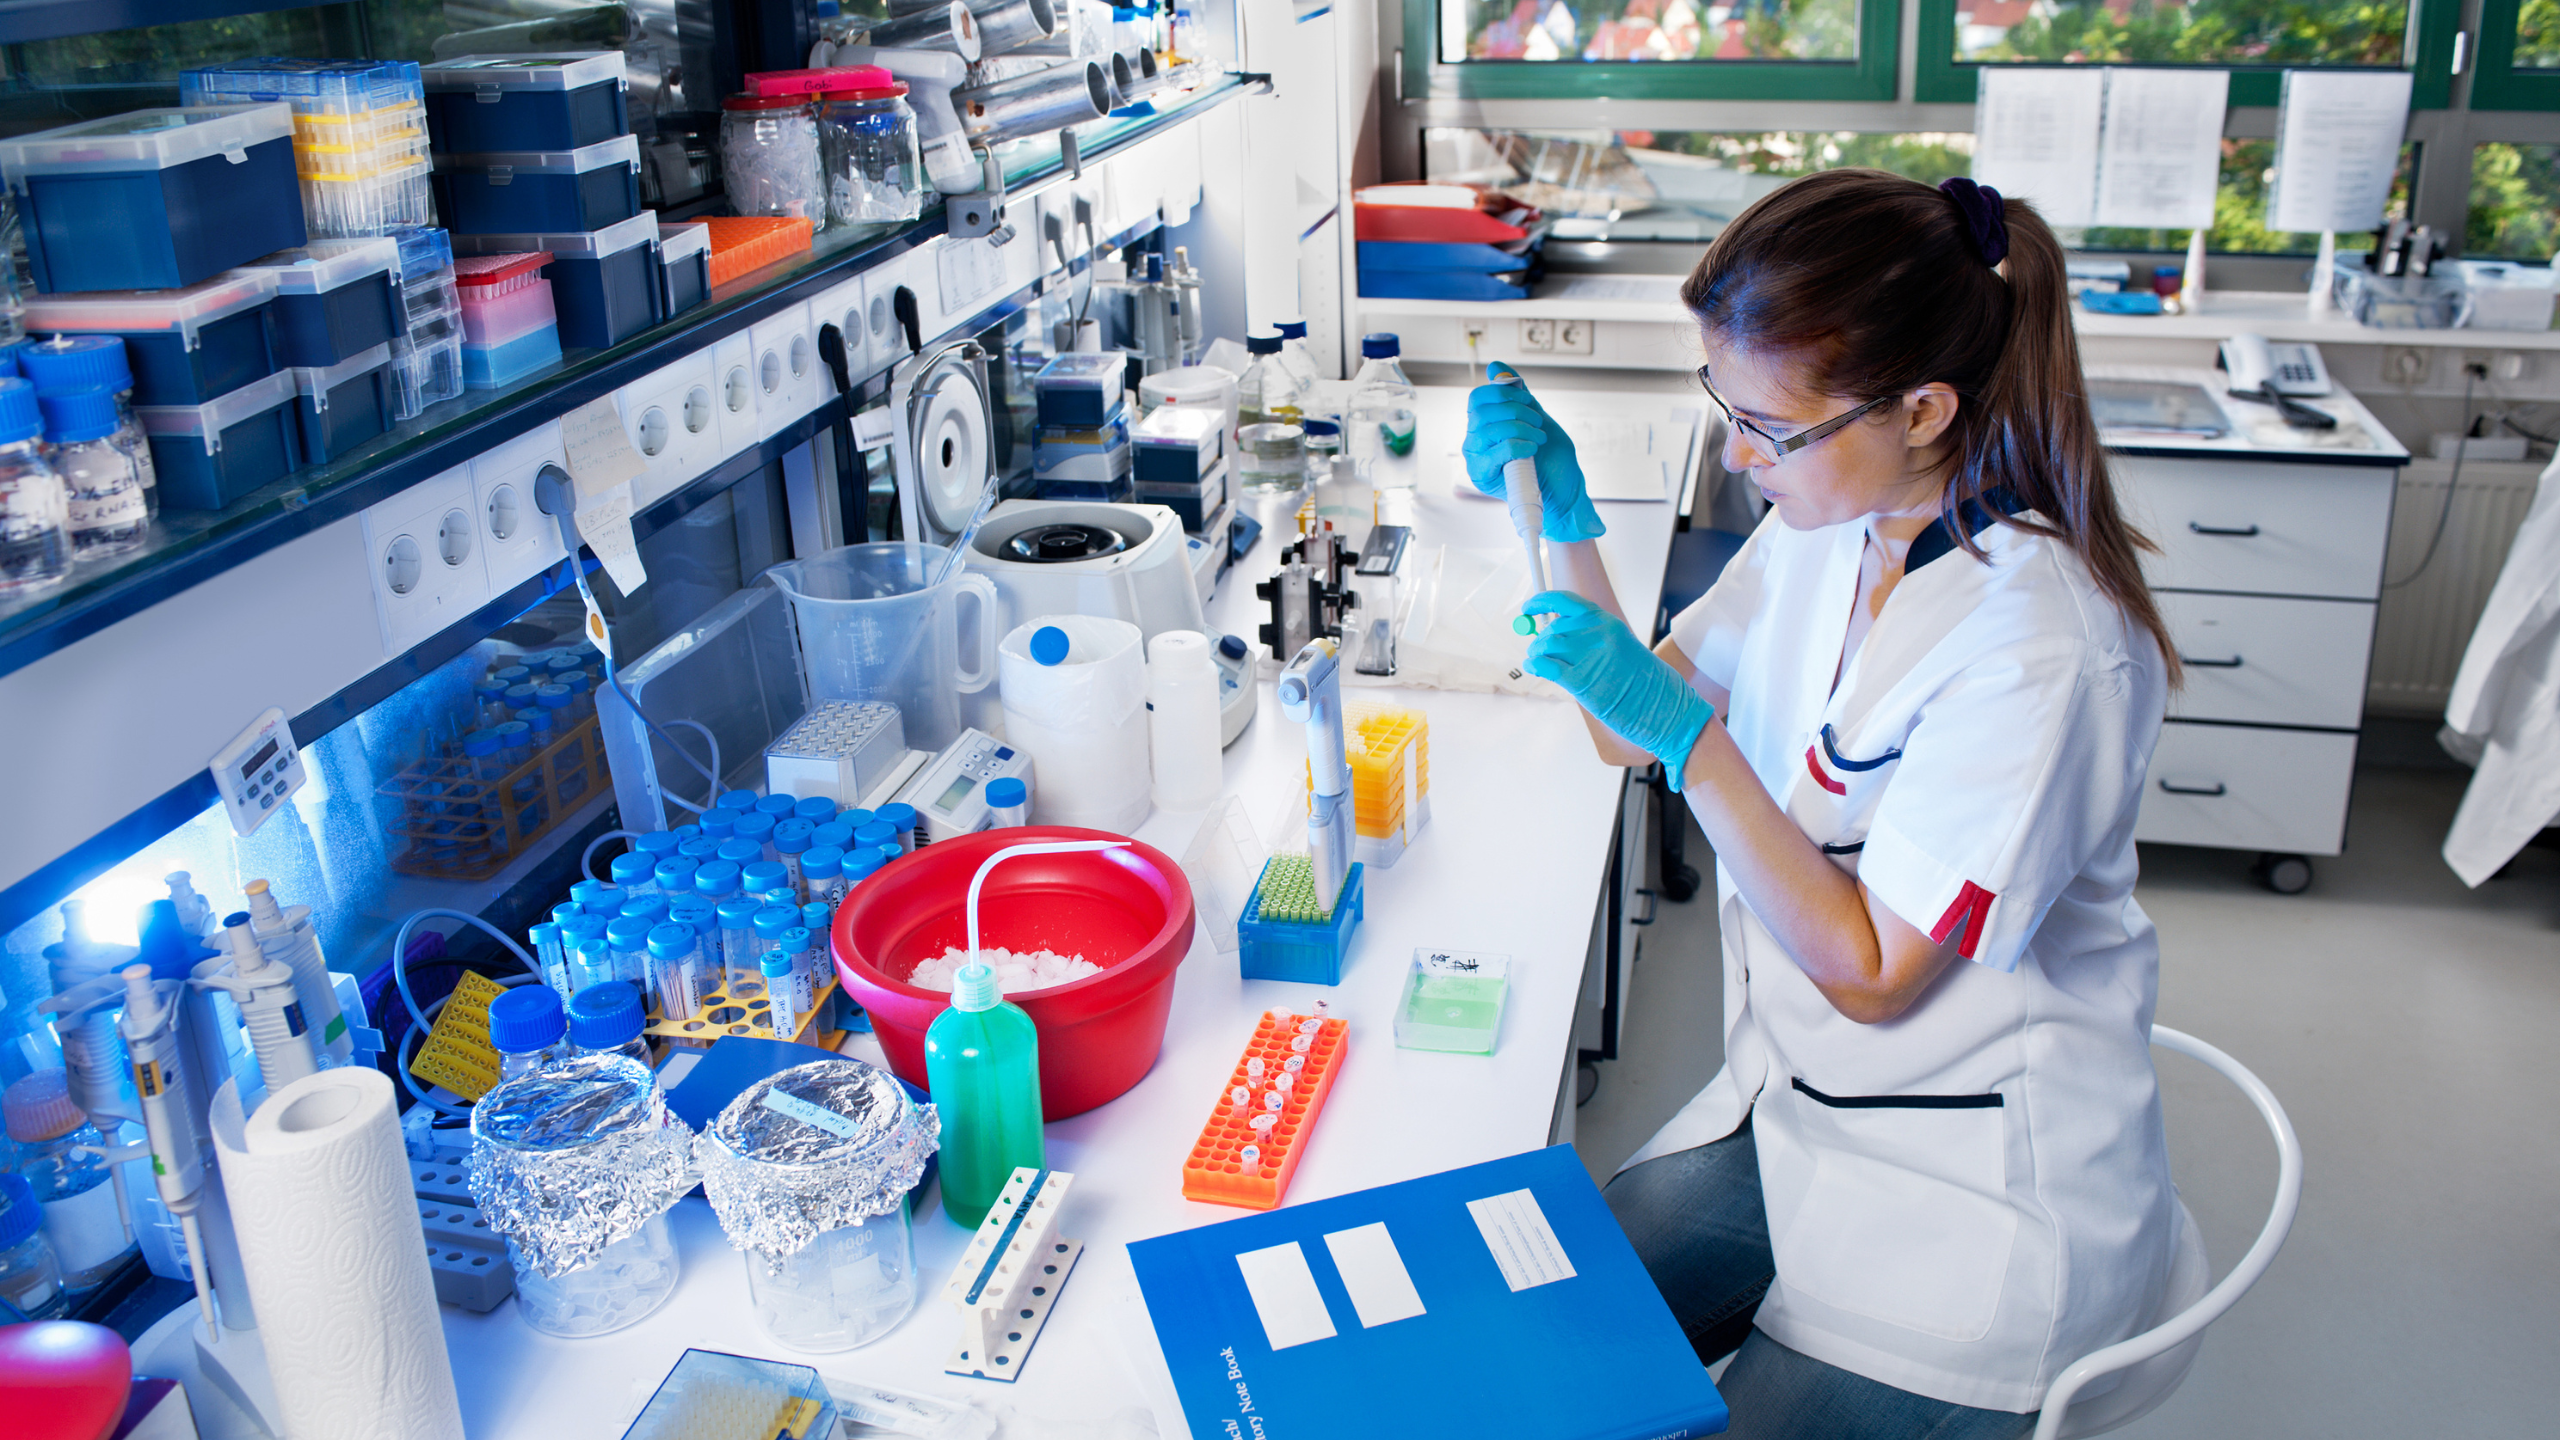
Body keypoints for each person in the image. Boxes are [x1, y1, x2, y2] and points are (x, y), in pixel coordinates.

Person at [1464, 170, 2183, 1438]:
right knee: (1532, 1349)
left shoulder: (2041, 647)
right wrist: (1556, 524)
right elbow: (1619, 731)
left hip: (1969, 1195)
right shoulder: (1826, 521)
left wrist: (1702, 748)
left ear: (1921, 407)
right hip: (1796, 1099)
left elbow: (1871, 971)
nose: (1738, 457)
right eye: (1723, 408)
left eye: (1768, 429)